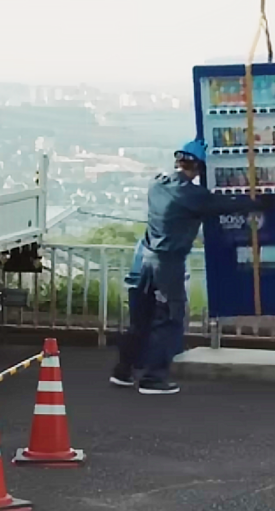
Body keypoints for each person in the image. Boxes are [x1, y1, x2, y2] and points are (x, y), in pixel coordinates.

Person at [111, 139, 263, 395]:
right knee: (169, 319)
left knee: (140, 320)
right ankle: (153, 379)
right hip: (167, 264)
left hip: (143, 259)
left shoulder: (157, 184)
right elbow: (228, 204)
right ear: (199, 168)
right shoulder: (193, 196)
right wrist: (261, 202)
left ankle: (123, 371)